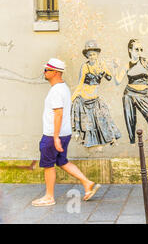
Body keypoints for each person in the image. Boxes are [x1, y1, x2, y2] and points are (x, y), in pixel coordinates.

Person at [32, 58, 101, 207]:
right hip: (63, 133)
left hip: (52, 135)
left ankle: (49, 197)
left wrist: (55, 137)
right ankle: (87, 183)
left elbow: (58, 114)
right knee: (62, 161)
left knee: (48, 165)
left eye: (47, 70)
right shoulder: (63, 88)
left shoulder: (57, 91)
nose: (44, 72)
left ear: (55, 72)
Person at [71, 40, 121, 147]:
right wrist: (73, 98)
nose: (92, 56)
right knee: (88, 124)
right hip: (84, 98)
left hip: (95, 98)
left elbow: (109, 77)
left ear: (97, 55)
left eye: (94, 54)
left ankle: (111, 138)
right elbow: (80, 83)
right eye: (90, 55)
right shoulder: (85, 66)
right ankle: (87, 141)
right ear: (87, 56)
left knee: (104, 116)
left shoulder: (101, 64)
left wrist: (106, 70)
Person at [112, 39, 148, 144]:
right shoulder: (127, 65)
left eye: (141, 49)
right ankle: (132, 142)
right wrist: (115, 68)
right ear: (130, 50)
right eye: (136, 49)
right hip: (129, 94)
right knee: (130, 121)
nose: (139, 51)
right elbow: (117, 82)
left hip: (143, 95)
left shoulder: (145, 62)